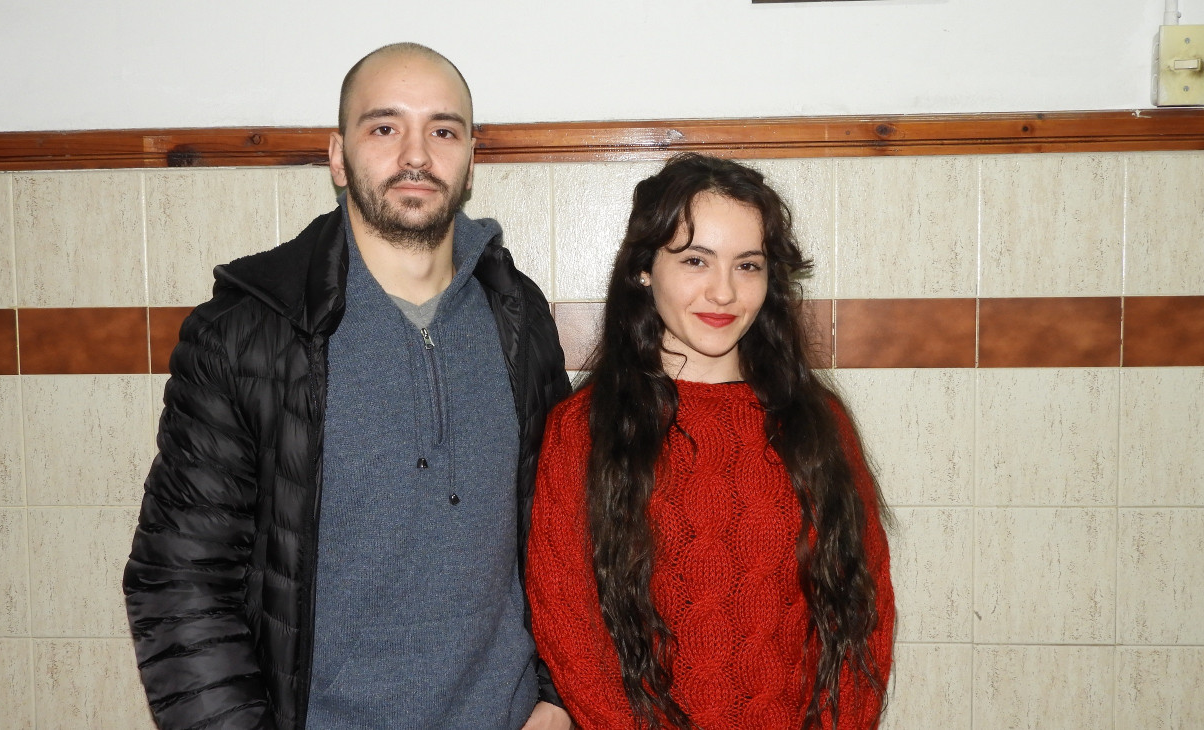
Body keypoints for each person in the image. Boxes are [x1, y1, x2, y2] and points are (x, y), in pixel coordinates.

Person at [123, 43, 572, 730]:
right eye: (384, 127)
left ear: (470, 157)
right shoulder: (247, 333)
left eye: (443, 130)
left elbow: (567, 534)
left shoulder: (519, 317)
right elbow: (180, 581)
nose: (416, 155)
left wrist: (557, 696)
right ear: (338, 155)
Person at [525, 153, 894, 730]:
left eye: (748, 265)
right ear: (644, 268)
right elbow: (571, 629)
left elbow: (860, 621)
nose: (723, 292)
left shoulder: (820, 427)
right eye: (696, 260)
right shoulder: (582, 430)